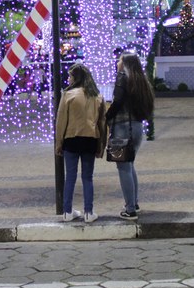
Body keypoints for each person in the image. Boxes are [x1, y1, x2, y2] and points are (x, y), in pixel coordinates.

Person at [55, 62, 107, 224]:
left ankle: (67, 211)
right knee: (87, 177)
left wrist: (58, 143)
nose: (69, 79)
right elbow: (102, 124)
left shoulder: (68, 95)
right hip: (90, 140)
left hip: (71, 139)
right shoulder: (97, 96)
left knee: (70, 177)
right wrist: (102, 145)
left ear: (76, 77)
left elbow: (61, 121)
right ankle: (88, 212)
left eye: (70, 76)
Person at [105, 53, 155, 221]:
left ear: (125, 64)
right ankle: (135, 203)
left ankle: (130, 209)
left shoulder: (122, 77)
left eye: (120, 60)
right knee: (130, 165)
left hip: (121, 127)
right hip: (137, 126)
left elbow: (117, 101)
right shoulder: (141, 80)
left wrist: (106, 116)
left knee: (123, 167)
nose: (117, 62)